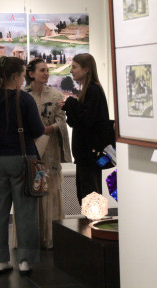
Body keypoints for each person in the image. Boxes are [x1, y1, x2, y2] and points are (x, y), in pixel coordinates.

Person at [0, 56, 44, 276]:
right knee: (25, 211)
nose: (24, 80)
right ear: (15, 76)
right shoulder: (24, 99)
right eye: (23, 75)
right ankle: (25, 260)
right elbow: (38, 130)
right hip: (22, 160)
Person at [25, 58, 72, 249]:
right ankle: (30, 238)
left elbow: (62, 120)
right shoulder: (23, 95)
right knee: (30, 190)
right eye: (42, 70)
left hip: (50, 149)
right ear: (31, 74)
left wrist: (50, 128)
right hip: (29, 148)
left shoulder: (55, 95)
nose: (46, 73)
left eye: (47, 70)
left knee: (50, 189)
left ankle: (51, 237)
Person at [59, 53, 112, 205]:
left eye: (74, 67)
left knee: (90, 195)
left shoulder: (93, 90)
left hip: (89, 156)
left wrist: (70, 103)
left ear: (86, 69)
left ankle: (93, 221)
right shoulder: (89, 90)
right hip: (86, 157)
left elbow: (85, 121)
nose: (71, 71)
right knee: (86, 194)